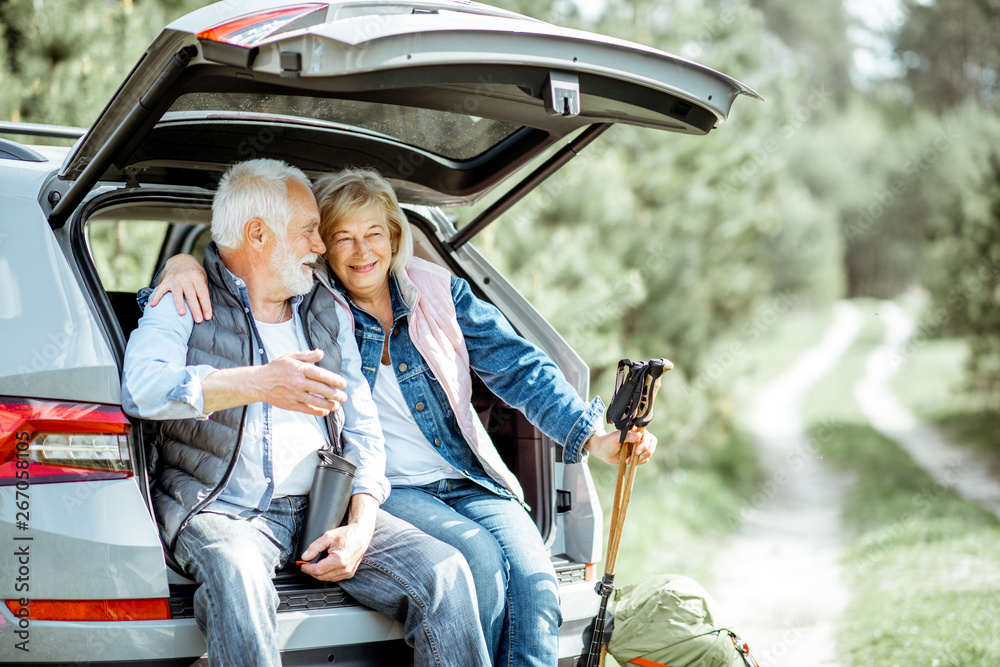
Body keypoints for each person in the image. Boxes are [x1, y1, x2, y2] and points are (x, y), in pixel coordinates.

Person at [151, 167, 658, 667]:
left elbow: (520, 368)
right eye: (341, 237)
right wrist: (181, 263)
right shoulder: (313, 301)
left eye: (374, 234)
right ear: (321, 246)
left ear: (395, 236)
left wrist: (593, 435)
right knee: (478, 564)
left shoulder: (437, 292)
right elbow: (236, 286)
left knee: (536, 585)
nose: (361, 251)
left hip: (466, 476)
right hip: (392, 487)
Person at [123, 159, 490, 667]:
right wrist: (260, 383)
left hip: (325, 510)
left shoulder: (323, 304)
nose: (320, 247)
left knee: (446, 573)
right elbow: (142, 388)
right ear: (257, 234)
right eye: (309, 232)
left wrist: (360, 524)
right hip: (225, 510)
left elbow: (362, 426)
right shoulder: (184, 299)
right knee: (238, 577)